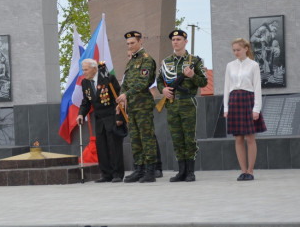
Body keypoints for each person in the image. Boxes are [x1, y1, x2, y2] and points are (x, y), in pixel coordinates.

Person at [157, 30, 207, 182]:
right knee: (177, 138)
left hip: (187, 103)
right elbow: (159, 81)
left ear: (185, 41)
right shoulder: (166, 62)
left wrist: (192, 76)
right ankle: (181, 170)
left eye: (178, 39)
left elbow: (204, 82)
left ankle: (190, 171)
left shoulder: (195, 61)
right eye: (173, 39)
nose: (175, 42)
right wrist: (163, 90)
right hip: (172, 104)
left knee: (189, 138)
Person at [115, 31, 158, 183]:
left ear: (141, 42)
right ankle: (139, 169)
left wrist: (127, 94)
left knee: (146, 138)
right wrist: (120, 100)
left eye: (132, 43)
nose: (130, 46)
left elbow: (143, 83)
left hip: (143, 104)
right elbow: (125, 83)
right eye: (128, 44)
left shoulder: (147, 60)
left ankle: (150, 170)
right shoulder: (131, 61)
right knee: (135, 139)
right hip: (131, 106)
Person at [223, 38, 267, 181]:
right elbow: (226, 87)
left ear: (246, 49)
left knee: (250, 137)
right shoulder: (230, 66)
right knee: (238, 138)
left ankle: (251, 171)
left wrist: (257, 109)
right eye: (234, 50)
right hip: (234, 100)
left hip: (249, 100)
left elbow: (257, 88)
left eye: (238, 50)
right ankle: (243, 171)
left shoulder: (253, 65)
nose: (236, 52)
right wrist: (226, 107)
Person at [77, 59, 125, 183]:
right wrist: (81, 114)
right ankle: (106, 174)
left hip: (112, 117)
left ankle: (117, 174)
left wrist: (120, 118)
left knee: (114, 147)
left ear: (94, 69)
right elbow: (86, 102)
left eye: (86, 69)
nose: (84, 72)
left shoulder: (108, 78)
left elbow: (118, 98)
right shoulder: (85, 83)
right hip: (99, 119)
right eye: (83, 70)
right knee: (101, 148)